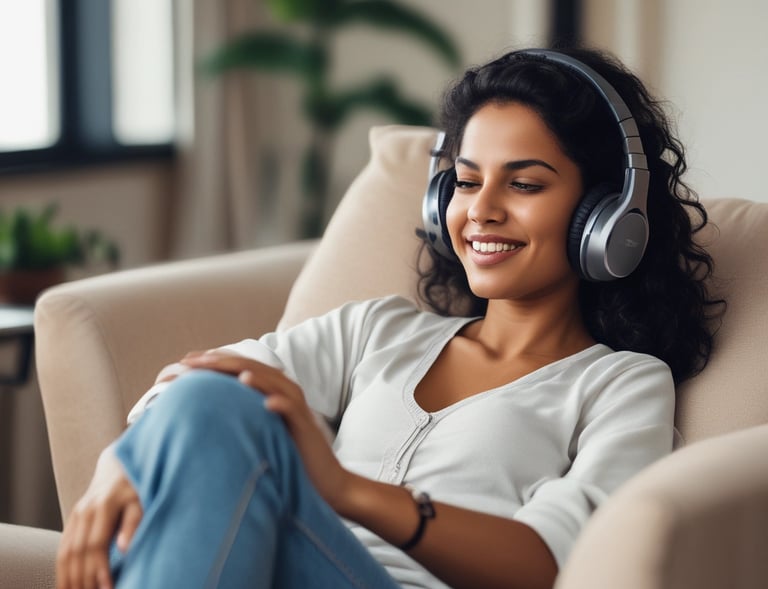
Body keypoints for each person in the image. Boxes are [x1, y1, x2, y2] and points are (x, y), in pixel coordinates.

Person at [56, 46, 722, 589]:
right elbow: (199, 391)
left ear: (606, 217)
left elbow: (558, 564)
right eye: (466, 181)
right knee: (219, 392)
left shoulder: (622, 383)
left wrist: (345, 490)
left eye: (524, 184)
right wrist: (121, 463)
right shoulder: (379, 329)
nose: (481, 210)